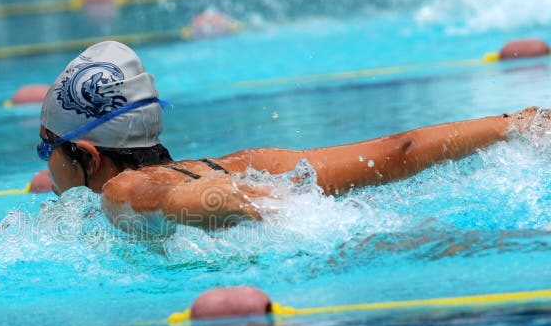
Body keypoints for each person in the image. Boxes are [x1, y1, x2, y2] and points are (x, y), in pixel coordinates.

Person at [37, 40, 545, 233]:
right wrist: (514, 124)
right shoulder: (248, 160)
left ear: (85, 154)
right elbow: (397, 152)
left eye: (46, 148)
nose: (45, 166)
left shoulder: (118, 196)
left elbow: (179, 197)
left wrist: (271, 208)